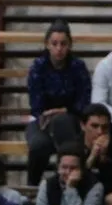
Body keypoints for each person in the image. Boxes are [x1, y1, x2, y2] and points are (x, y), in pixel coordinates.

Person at [26, 20, 92, 186]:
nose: (59, 48)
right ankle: (32, 186)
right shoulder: (38, 67)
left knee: (63, 123)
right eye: (54, 43)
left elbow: (84, 99)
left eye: (63, 44)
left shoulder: (78, 66)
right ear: (47, 45)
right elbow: (36, 103)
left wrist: (65, 111)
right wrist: (52, 114)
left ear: (69, 45)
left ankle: (71, 181)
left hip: (72, 119)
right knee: (38, 146)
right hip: (42, 120)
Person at [80, 104, 112, 205]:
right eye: (94, 126)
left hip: (107, 196)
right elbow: (77, 180)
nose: (100, 132)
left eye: (105, 127)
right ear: (83, 126)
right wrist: (92, 157)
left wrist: (103, 157)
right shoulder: (74, 147)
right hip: (82, 196)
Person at [35, 143, 103, 205]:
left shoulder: (94, 187)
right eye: (64, 167)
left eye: (73, 168)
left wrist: (70, 189)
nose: (68, 172)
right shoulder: (46, 185)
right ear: (58, 167)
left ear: (82, 169)